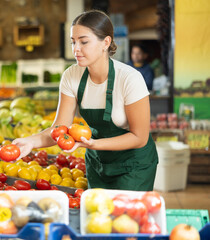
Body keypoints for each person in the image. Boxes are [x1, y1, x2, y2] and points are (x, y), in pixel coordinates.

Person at [13, 10, 158, 191]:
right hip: (98, 164)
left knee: (126, 216)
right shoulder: (71, 75)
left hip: (134, 165)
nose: (76, 49)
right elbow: (59, 129)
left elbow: (140, 137)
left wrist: (93, 144)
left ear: (106, 42)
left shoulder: (130, 79)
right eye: (73, 42)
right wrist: (31, 142)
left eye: (84, 42)